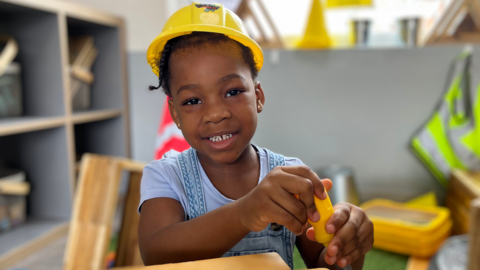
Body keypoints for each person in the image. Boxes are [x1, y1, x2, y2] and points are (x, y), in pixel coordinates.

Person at [138, 3, 373, 270]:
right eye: (193, 100)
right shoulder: (166, 177)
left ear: (258, 96)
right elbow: (155, 253)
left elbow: (325, 264)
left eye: (232, 91)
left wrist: (348, 247)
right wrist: (244, 213)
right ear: (175, 114)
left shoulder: (290, 180)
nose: (216, 114)